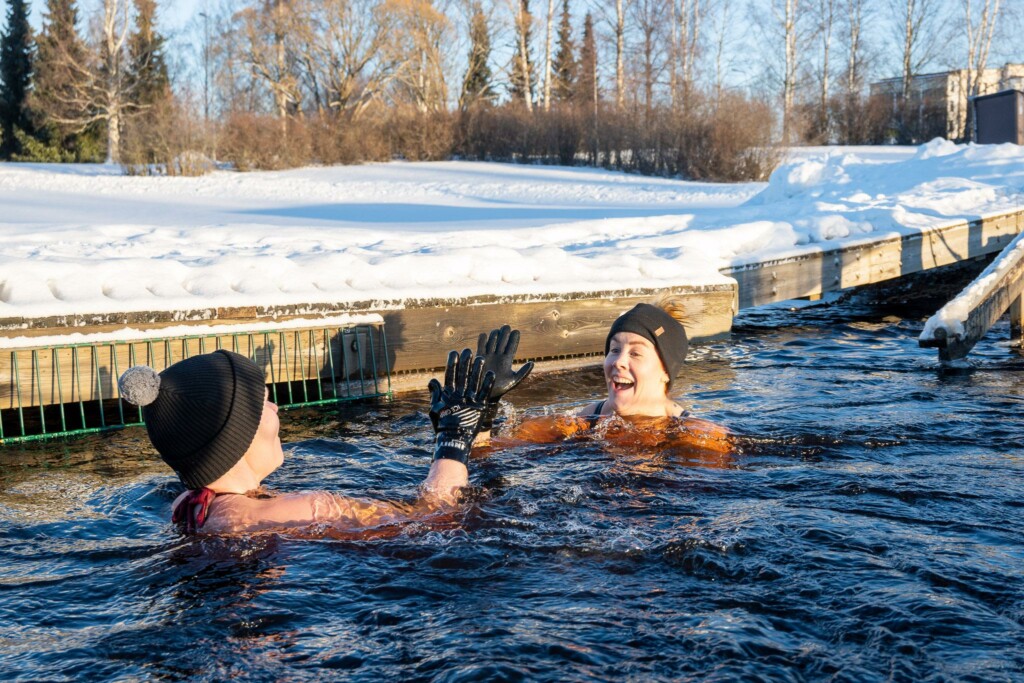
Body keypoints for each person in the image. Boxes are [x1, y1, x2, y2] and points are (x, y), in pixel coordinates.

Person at [118, 346, 498, 534]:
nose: (278, 408)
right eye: (264, 402)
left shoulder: (186, 509)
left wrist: (482, 424)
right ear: (238, 433)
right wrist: (454, 437)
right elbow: (434, 519)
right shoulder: (306, 508)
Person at [473, 303, 733, 458]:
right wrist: (484, 411)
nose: (618, 361)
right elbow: (488, 453)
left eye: (635, 353)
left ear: (665, 370)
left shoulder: (696, 435)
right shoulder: (587, 421)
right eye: (614, 349)